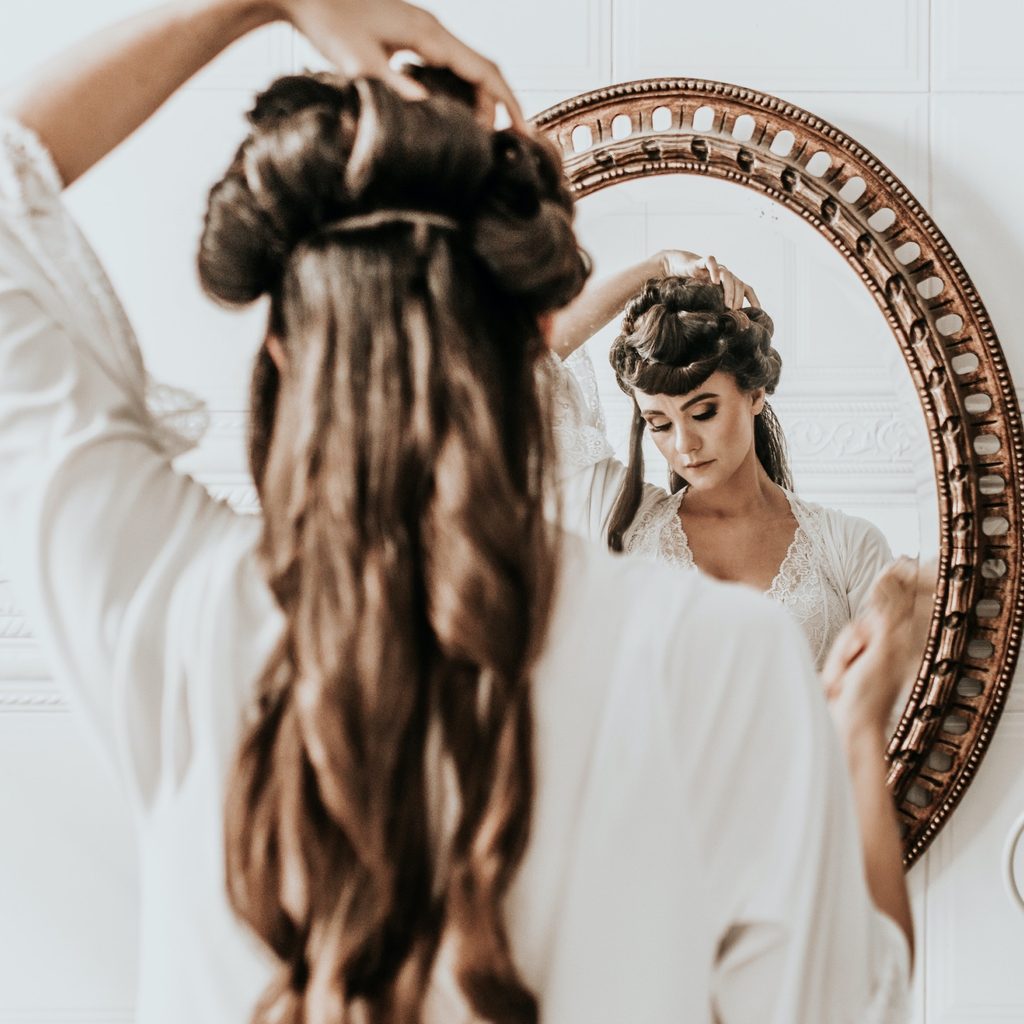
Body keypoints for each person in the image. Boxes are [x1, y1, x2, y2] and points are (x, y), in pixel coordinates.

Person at [0, 1, 911, 1022]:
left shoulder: (172, 607)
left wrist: (260, 1)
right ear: (533, 346)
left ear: (282, 354)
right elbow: (854, 1007)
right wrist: (853, 739)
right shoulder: (727, 661)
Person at [546, 257, 893, 669]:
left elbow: (888, 715)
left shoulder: (850, 547)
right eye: (658, 423)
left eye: (704, 412)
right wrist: (660, 264)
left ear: (756, 394)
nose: (684, 444)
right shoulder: (621, 520)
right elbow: (519, 363)